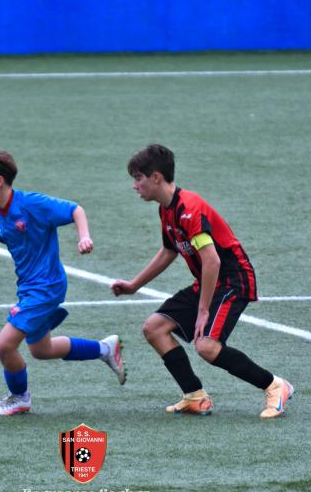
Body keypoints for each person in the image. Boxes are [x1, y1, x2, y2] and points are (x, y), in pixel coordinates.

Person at [111, 144, 293, 418]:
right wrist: (134, 285)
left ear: (156, 177)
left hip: (233, 280)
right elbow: (169, 250)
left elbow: (212, 261)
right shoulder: (166, 210)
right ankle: (194, 396)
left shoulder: (189, 208)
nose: (135, 186)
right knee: (154, 328)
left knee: (207, 347)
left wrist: (203, 310)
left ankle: (274, 385)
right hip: (211, 280)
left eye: (138, 178)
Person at [0, 150, 125, 416]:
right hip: (28, 288)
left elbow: (76, 210)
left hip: (47, 286)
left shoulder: (32, 204)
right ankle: (105, 349)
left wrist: (84, 237)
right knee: (41, 349)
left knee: (5, 345)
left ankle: (19, 397)